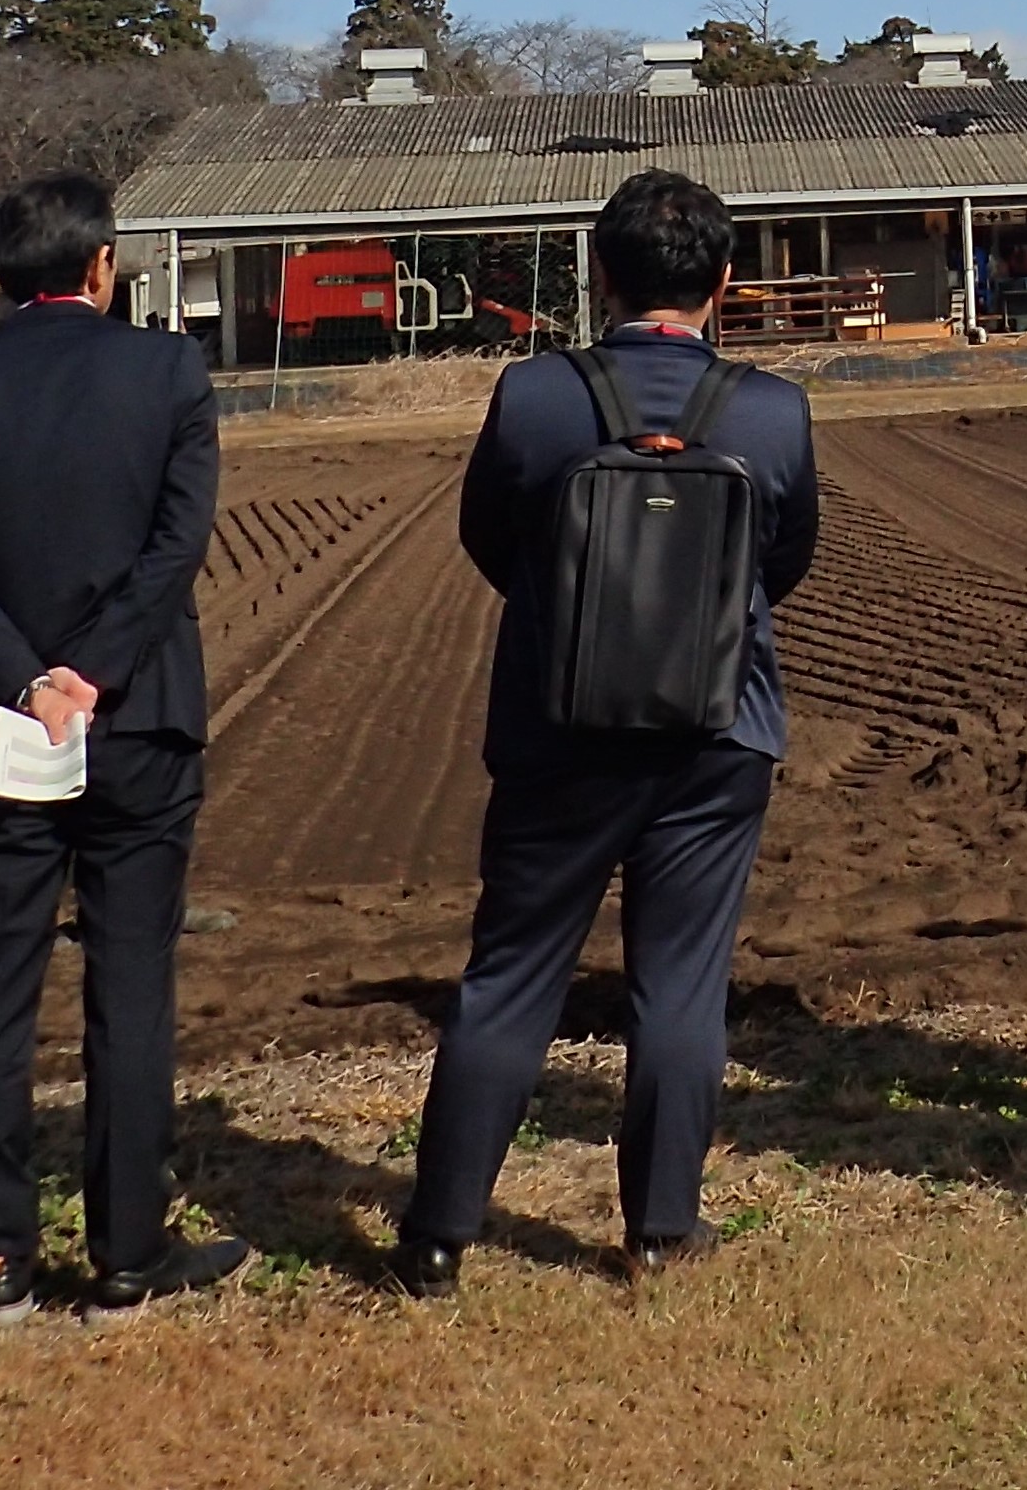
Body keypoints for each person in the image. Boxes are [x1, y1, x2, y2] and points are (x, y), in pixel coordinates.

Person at [389, 169, 819, 1296]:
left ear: (597, 276)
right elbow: (785, 563)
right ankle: (663, 1229)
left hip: (557, 727)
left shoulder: (532, 396)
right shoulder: (772, 410)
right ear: (723, 283)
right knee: (680, 984)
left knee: (511, 974)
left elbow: (493, 538)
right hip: (719, 730)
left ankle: (437, 1237)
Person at [0, 170, 248, 1325]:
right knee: (129, 984)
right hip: (136, 718)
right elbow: (173, 544)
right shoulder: (168, 375)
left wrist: (25, 675)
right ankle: (128, 1257)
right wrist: (92, 670)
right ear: (103, 267)